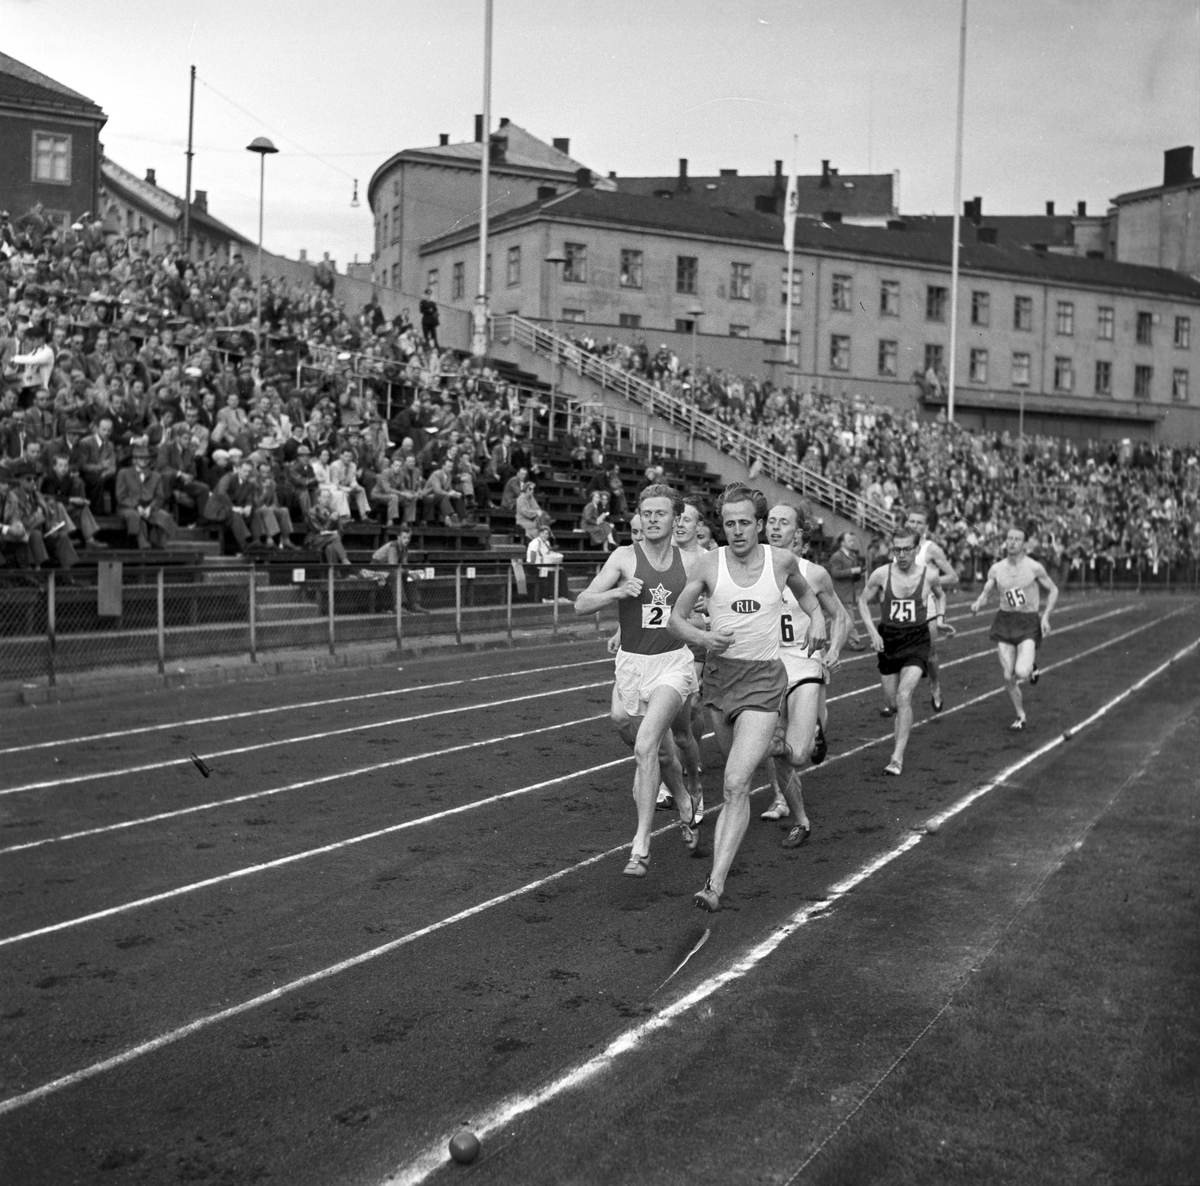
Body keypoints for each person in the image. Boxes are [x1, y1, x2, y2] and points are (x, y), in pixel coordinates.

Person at [669, 484, 826, 912]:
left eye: (745, 523)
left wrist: (817, 621)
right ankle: (778, 745)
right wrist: (704, 637)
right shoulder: (707, 563)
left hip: (762, 680)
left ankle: (714, 883)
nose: (737, 531)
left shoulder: (780, 561)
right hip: (721, 680)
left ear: (759, 525)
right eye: (729, 523)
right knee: (745, 762)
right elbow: (675, 619)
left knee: (735, 783)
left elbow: (809, 595)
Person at [574, 484, 702, 876]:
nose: (651, 519)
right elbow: (580, 603)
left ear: (675, 518)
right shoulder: (624, 557)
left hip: (674, 665)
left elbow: (718, 609)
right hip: (632, 665)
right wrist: (617, 591)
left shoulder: (696, 561)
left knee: (646, 747)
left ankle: (641, 846)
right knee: (660, 752)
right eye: (646, 513)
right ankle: (682, 798)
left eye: (659, 513)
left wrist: (703, 626)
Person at [761, 502, 850, 846]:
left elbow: (840, 617)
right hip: (767, 667)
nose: (775, 528)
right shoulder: (750, 568)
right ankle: (796, 814)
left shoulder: (814, 574)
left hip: (804, 664)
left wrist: (833, 650)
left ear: (798, 532)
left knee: (796, 754)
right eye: (770, 521)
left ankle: (810, 729)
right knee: (775, 747)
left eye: (783, 523)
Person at [857, 527, 947, 776]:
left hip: (917, 640)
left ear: (917, 549)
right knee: (891, 702)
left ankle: (896, 757)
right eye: (897, 549)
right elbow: (863, 601)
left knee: (904, 695)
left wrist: (939, 620)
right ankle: (899, 733)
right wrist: (872, 633)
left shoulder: (929, 575)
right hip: (889, 640)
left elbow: (940, 596)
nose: (902, 554)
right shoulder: (881, 574)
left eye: (907, 549)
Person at [970, 526, 1058, 730]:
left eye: (1017, 539)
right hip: (1005, 621)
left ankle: (1030, 669)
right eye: (1009, 538)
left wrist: (1045, 616)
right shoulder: (997, 568)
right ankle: (1021, 715)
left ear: (1024, 544)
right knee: (1008, 676)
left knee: (1020, 670)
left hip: (1027, 622)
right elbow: (987, 590)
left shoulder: (1034, 567)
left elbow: (1053, 589)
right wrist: (978, 602)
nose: (1011, 542)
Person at [906, 507, 960, 713]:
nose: (914, 525)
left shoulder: (931, 549)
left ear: (926, 527)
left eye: (919, 522)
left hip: (925, 609)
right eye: (911, 521)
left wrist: (928, 581)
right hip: (902, 610)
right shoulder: (900, 546)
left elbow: (953, 576)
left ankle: (935, 686)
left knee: (930, 656)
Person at [115, 445, 178, 550]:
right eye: (140, 458)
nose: (144, 460)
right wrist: (137, 506)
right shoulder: (124, 473)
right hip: (127, 506)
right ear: (134, 460)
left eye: (146, 458)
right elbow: (121, 496)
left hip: (149, 507)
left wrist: (150, 508)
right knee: (135, 516)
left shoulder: (156, 476)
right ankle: (143, 545)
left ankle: (161, 545)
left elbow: (159, 497)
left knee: (164, 516)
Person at [826, 532, 867, 650]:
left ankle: (817, 636)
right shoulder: (837, 556)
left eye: (853, 540)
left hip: (848, 592)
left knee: (834, 619)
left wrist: (859, 572)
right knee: (848, 618)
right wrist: (853, 571)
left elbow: (853, 576)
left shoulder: (852, 556)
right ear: (842, 543)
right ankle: (855, 642)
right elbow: (835, 573)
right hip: (840, 592)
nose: (852, 543)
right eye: (849, 541)